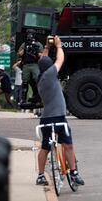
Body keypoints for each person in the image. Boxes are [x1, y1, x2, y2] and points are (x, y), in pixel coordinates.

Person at [35, 35, 85, 186]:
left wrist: (46, 47)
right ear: (49, 67)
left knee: (45, 147)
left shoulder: (41, 76)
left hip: (46, 120)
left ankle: (41, 175)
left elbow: (42, 61)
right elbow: (60, 60)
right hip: (58, 118)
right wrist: (58, 46)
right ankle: (74, 173)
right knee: (68, 145)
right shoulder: (50, 74)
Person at [18, 30, 43, 105]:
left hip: (35, 64)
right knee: (25, 81)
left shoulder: (38, 44)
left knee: (37, 80)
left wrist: (35, 50)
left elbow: (41, 55)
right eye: (28, 33)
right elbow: (19, 54)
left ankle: (39, 98)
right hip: (26, 64)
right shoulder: (24, 44)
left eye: (31, 34)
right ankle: (23, 99)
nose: (29, 35)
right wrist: (25, 49)